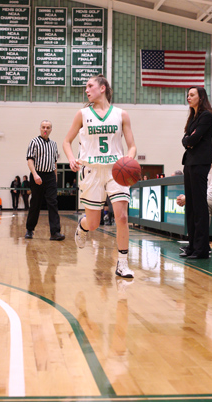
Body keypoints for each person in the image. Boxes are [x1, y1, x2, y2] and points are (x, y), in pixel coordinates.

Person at [63, 74, 137, 278]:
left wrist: (128, 160)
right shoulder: (82, 114)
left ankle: (122, 263)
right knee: (94, 223)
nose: (86, 90)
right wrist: (71, 158)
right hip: (91, 169)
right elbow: (67, 141)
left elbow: (131, 146)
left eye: (90, 86)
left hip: (116, 169)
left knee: (122, 217)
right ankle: (83, 226)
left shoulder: (122, 114)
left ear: (102, 88)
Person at [181, 86, 212, 259]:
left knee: (199, 206)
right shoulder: (193, 117)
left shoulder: (206, 116)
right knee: (191, 207)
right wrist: (188, 140)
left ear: (201, 97)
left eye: (192, 94)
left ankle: (202, 248)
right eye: (188, 95)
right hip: (189, 162)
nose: (188, 97)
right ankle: (192, 245)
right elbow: (186, 139)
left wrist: (189, 140)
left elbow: (193, 138)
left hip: (200, 163)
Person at [25, 120, 65, 241]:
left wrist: (55, 178)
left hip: (50, 176)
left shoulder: (54, 144)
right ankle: (30, 230)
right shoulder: (34, 142)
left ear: (51, 129)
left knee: (53, 203)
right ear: (40, 128)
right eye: (43, 127)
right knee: (35, 203)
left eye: (48, 127)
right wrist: (35, 174)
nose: (45, 129)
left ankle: (55, 232)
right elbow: (30, 160)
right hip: (37, 174)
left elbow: (54, 162)